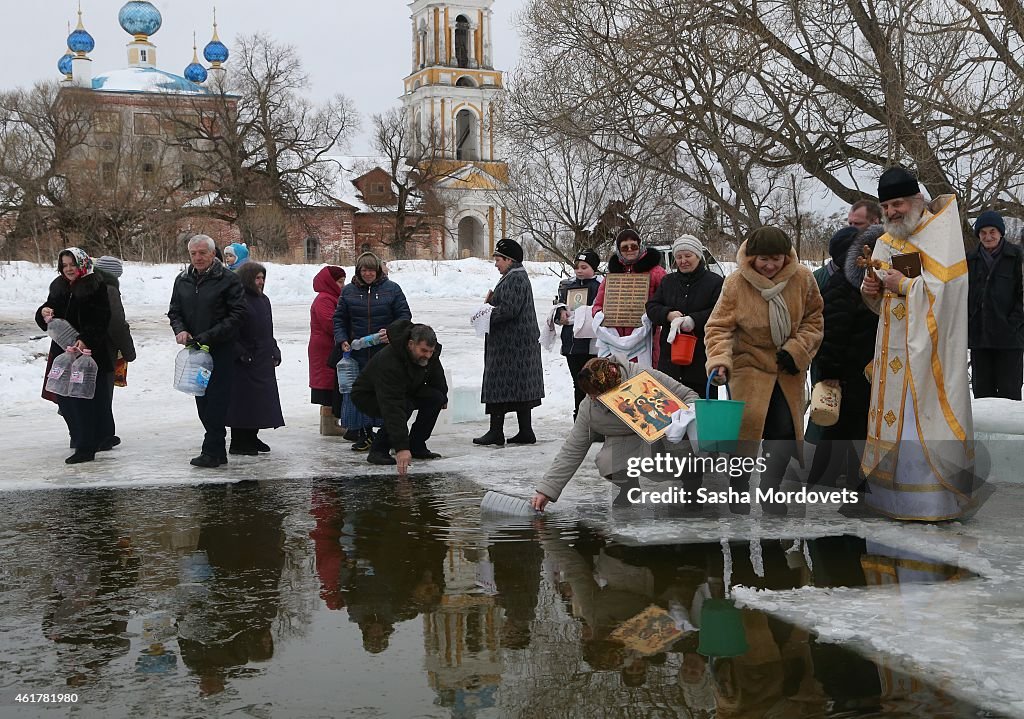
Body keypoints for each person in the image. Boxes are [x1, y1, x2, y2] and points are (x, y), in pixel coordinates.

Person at [860, 167, 974, 520]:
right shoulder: (884, 240)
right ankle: (888, 500)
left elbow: (951, 296)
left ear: (916, 201)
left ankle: (928, 504)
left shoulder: (941, 235)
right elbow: (881, 301)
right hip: (891, 350)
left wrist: (907, 286)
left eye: (898, 204)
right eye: (887, 206)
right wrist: (872, 291)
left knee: (918, 423)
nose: (892, 212)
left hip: (928, 357)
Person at [705, 227, 824, 514]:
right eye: (763, 260)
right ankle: (738, 487)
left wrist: (796, 351)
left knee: (782, 431)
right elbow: (718, 327)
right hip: (749, 365)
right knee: (745, 431)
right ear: (751, 258)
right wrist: (720, 359)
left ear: (787, 257)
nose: (770, 265)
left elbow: (814, 320)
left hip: (787, 367)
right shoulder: (736, 283)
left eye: (776, 259)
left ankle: (771, 489)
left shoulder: (802, 279)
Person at [531, 356, 700, 510]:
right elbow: (572, 449)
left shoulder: (642, 377)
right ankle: (629, 486)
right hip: (627, 441)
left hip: (664, 438)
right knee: (606, 461)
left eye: (596, 394)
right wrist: (546, 490)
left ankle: (691, 484)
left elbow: (689, 395)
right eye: (589, 394)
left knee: (683, 454)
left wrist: (682, 419)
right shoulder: (590, 409)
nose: (592, 399)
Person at [805, 225, 883, 490]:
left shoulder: (865, 285)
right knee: (846, 431)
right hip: (849, 374)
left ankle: (828, 482)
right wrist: (831, 373)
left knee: (844, 431)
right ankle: (843, 485)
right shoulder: (842, 288)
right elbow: (834, 334)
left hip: (861, 372)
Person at [168, 234, 247, 468]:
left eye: (203, 253)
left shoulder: (228, 279)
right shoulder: (182, 280)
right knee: (201, 398)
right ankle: (215, 449)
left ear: (213, 254)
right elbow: (174, 311)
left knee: (216, 401)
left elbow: (237, 315)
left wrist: (208, 336)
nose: (198, 257)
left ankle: (213, 449)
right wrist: (180, 330)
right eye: (193, 253)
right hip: (195, 350)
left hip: (220, 349)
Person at [35, 248, 113, 464]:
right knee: (65, 399)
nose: (68, 269)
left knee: (83, 398)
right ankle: (80, 437)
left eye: (72, 264)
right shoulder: (59, 286)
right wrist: (44, 313)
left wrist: (86, 339)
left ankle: (87, 446)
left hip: (88, 352)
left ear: (82, 264)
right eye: (65, 265)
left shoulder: (95, 286)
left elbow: (102, 319)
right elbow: (47, 310)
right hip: (63, 351)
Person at [333, 252, 412, 450]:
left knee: (387, 393)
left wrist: (392, 333)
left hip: (386, 352)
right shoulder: (348, 291)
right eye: (364, 270)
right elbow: (339, 319)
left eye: (372, 270)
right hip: (358, 352)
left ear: (378, 271)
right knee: (361, 393)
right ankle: (365, 433)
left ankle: (390, 434)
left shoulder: (392, 289)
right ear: (358, 272)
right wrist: (342, 339)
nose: (368, 274)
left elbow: (404, 316)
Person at [351, 321, 448, 473]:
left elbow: (437, 375)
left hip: (405, 389)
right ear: (411, 344)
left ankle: (417, 445)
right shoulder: (390, 360)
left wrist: (443, 396)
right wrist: (401, 448)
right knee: (404, 406)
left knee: (435, 398)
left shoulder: (429, 354)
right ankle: (378, 450)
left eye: (431, 351)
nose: (428, 356)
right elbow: (393, 407)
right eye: (424, 351)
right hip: (368, 394)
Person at [474, 238, 545, 446]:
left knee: (499, 384)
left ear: (509, 260)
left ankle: (496, 432)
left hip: (510, 345)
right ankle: (525, 431)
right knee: (520, 387)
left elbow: (509, 310)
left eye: (498, 259)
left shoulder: (515, 278)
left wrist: (485, 313)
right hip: (517, 344)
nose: (496, 263)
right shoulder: (515, 276)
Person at [646, 234, 724, 398]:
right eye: (679, 257)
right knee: (670, 415)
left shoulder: (715, 282)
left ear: (698, 256)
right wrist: (668, 314)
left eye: (688, 256)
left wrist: (693, 320)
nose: (683, 261)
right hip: (670, 362)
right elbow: (652, 307)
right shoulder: (668, 281)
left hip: (701, 361)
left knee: (701, 415)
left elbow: (721, 312)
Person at [225, 262, 284, 455]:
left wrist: (274, 349)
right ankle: (239, 441)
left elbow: (268, 329)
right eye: (257, 278)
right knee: (243, 402)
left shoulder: (263, 300)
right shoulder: (237, 300)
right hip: (244, 359)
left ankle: (252, 436)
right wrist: (241, 353)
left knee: (260, 402)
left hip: (262, 358)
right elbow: (230, 331)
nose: (260, 282)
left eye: (262, 278)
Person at [967, 210, 1024, 400]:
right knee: (982, 395)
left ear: (1001, 233)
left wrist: (1013, 323)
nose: (988, 236)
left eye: (992, 231)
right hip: (979, 337)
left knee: (1010, 395)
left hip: (1009, 340)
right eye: (983, 232)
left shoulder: (1017, 257)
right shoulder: (969, 259)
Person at [592, 228, 668, 367]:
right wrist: (600, 316)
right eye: (625, 247)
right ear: (619, 250)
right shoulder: (612, 275)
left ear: (640, 246)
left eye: (633, 246)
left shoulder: (656, 272)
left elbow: (667, 300)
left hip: (646, 336)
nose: (630, 250)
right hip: (615, 338)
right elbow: (598, 304)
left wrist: (654, 315)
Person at [92, 255, 136, 451]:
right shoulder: (109, 290)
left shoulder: (85, 285)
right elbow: (116, 324)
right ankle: (104, 436)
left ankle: (81, 434)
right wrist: (129, 351)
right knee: (102, 392)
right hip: (103, 350)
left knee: (88, 393)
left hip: (85, 348)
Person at [555, 248, 602, 419]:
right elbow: (558, 306)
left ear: (594, 268)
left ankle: (597, 420)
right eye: (577, 267)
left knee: (594, 384)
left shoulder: (599, 286)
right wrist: (560, 312)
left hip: (590, 345)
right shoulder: (568, 286)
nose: (579, 271)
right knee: (579, 383)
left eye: (584, 267)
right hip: (571, 345)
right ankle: (580, 418)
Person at [308, 265, 347, 436]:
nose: (342, 285)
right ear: (330, 282)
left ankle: (329, 424)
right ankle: (329, 425)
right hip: (324, 348)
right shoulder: (324, 299)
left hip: (328, 346)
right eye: (339, 282)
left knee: (331, 383)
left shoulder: (331, 297)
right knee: (327, 385)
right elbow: (330, 323)